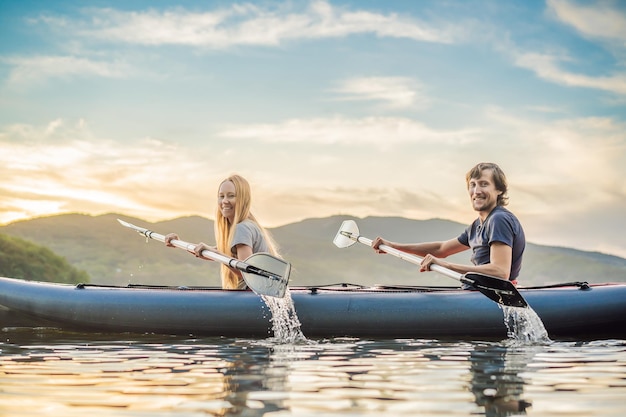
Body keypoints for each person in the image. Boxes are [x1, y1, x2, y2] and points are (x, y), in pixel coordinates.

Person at [372, 162, 525, 285]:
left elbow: (500, 272)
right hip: (475, 292)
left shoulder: (499, 219)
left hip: (491, 296)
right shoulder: (477, 226)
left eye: (484, 184)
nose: (476, 191)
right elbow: (441, 249)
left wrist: (446, 265)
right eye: (472, 185)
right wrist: (393, 246)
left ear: (499, 190)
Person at [164, 174, 280, 290]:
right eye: (221, 196)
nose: (224, 201)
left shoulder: (242, 228)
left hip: (253, 297)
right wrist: (178, 243)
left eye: (231, 196)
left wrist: (218, 254)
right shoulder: (245, 226)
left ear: (243, 199)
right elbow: (211, 252)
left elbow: (247, 271)